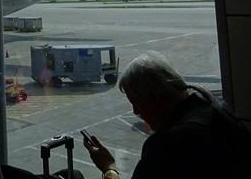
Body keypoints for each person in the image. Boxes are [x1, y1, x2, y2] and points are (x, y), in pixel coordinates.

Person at [83, 52, 251, 179]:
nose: (135, 112)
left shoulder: (165, 146)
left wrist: (109, 168)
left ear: (155, 97)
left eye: (136, 103)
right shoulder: (220, 112)